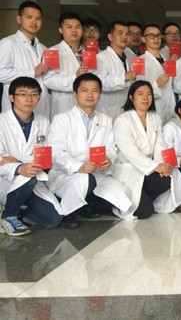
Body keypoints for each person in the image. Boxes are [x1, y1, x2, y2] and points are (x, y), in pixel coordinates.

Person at [47, 73, 132, 228]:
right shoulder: (62, 119)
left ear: (100, 94)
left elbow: (110, 147)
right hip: (67, 173)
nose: (90, 95)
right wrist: (78, 166)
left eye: (95, 91)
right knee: (84, 181)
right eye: (85, 90)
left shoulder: (105, 119)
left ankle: (86, 204)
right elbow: (56, 151)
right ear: (75, 94)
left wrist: (108, 159)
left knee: (122, 194)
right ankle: (68, 213)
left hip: (96, 173)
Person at [112, 81, 181, 219]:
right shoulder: (123, 120)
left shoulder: (155, 118)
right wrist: (155, 166)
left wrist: (162, 165)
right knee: (145, 211)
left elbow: (160, 144)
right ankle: (131, 201)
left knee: (165, 180)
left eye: (149, 94)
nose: (145, 98)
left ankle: (143, 196)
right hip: (130, 169)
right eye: (140, 94)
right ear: (131, 97)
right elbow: (130, 151)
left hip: (147, 168)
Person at [0, 77, 62, 236]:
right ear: (11, 97)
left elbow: (48, 154)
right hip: (5, 179)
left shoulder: (43, 122)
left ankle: (14, 207)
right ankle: (9, 216)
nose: (29, 99)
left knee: (53, 219)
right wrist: (19, 167)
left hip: (33, 178)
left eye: (34, 94)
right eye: (23, 94)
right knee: (28, 177)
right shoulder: (2, 122)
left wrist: (20, 162)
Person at [0, 1, 51, 117]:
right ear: (19, 19)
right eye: (29, 17)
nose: (34, 22)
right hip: (17, 107)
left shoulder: (43, 48)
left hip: (41, 106)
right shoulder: (8, 43)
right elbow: (1, 73)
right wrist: (32, 72)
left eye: (38, 18)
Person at [44, 12, 90, 117]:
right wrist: (75, 77)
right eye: (69, 27)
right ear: (61, 30)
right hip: (64, 105)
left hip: (87, 103)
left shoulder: (88, 53)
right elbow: (49, 80)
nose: (74, 30)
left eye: (77, 27)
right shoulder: (53, 52)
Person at [96, 21, 136, 120]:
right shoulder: (101, 57)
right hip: (108, 110)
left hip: (127, 107)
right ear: (110, 37)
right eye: (120, 33)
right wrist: (123, 77)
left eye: (127, 34)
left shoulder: (130, 57)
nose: (124, 37)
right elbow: (99, 82)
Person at [136, 24, 175, 124]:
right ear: (143, 39)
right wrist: (156, 84)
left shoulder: (167, 61)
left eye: (158, 35)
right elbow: (137, 88)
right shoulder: (139, 61)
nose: (156, 38)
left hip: (169, 107)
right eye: (151, 36)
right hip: (152, 108)